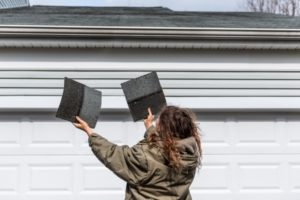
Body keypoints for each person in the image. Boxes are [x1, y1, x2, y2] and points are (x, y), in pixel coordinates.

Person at [73, 105, 202, 200]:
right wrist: (149, 127)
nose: (157, 122)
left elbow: (114, 154)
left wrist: (89, 132)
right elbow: (165, 148)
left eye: (159, 121)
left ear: (164, 130)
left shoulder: (144, 156)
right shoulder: (190, 154)